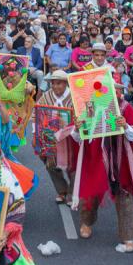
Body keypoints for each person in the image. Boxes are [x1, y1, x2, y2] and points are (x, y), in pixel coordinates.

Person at [72, 83, 133, 253]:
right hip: (94, 157)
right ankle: (86, 222)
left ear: (116, 91)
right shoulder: (86, 106)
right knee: (91, 193)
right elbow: (77, 137)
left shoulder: (124, 107)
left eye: (110, 88)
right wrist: (77, 128)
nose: (105, 92)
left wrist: (126, 125)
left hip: (120, 158)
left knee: (124, 194)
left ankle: (128, 236)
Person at [34, 70, 76, 204]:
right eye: (53, 83)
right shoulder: (46, 97)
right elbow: (37, 115)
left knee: (72, 166)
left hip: (71, 138)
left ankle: (71, 192)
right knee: (50, 165)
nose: (56, 86)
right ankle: (62, 190)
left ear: (65, 83)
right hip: (50, 138)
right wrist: (35, 134)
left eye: (59, 83)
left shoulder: (74, 96)